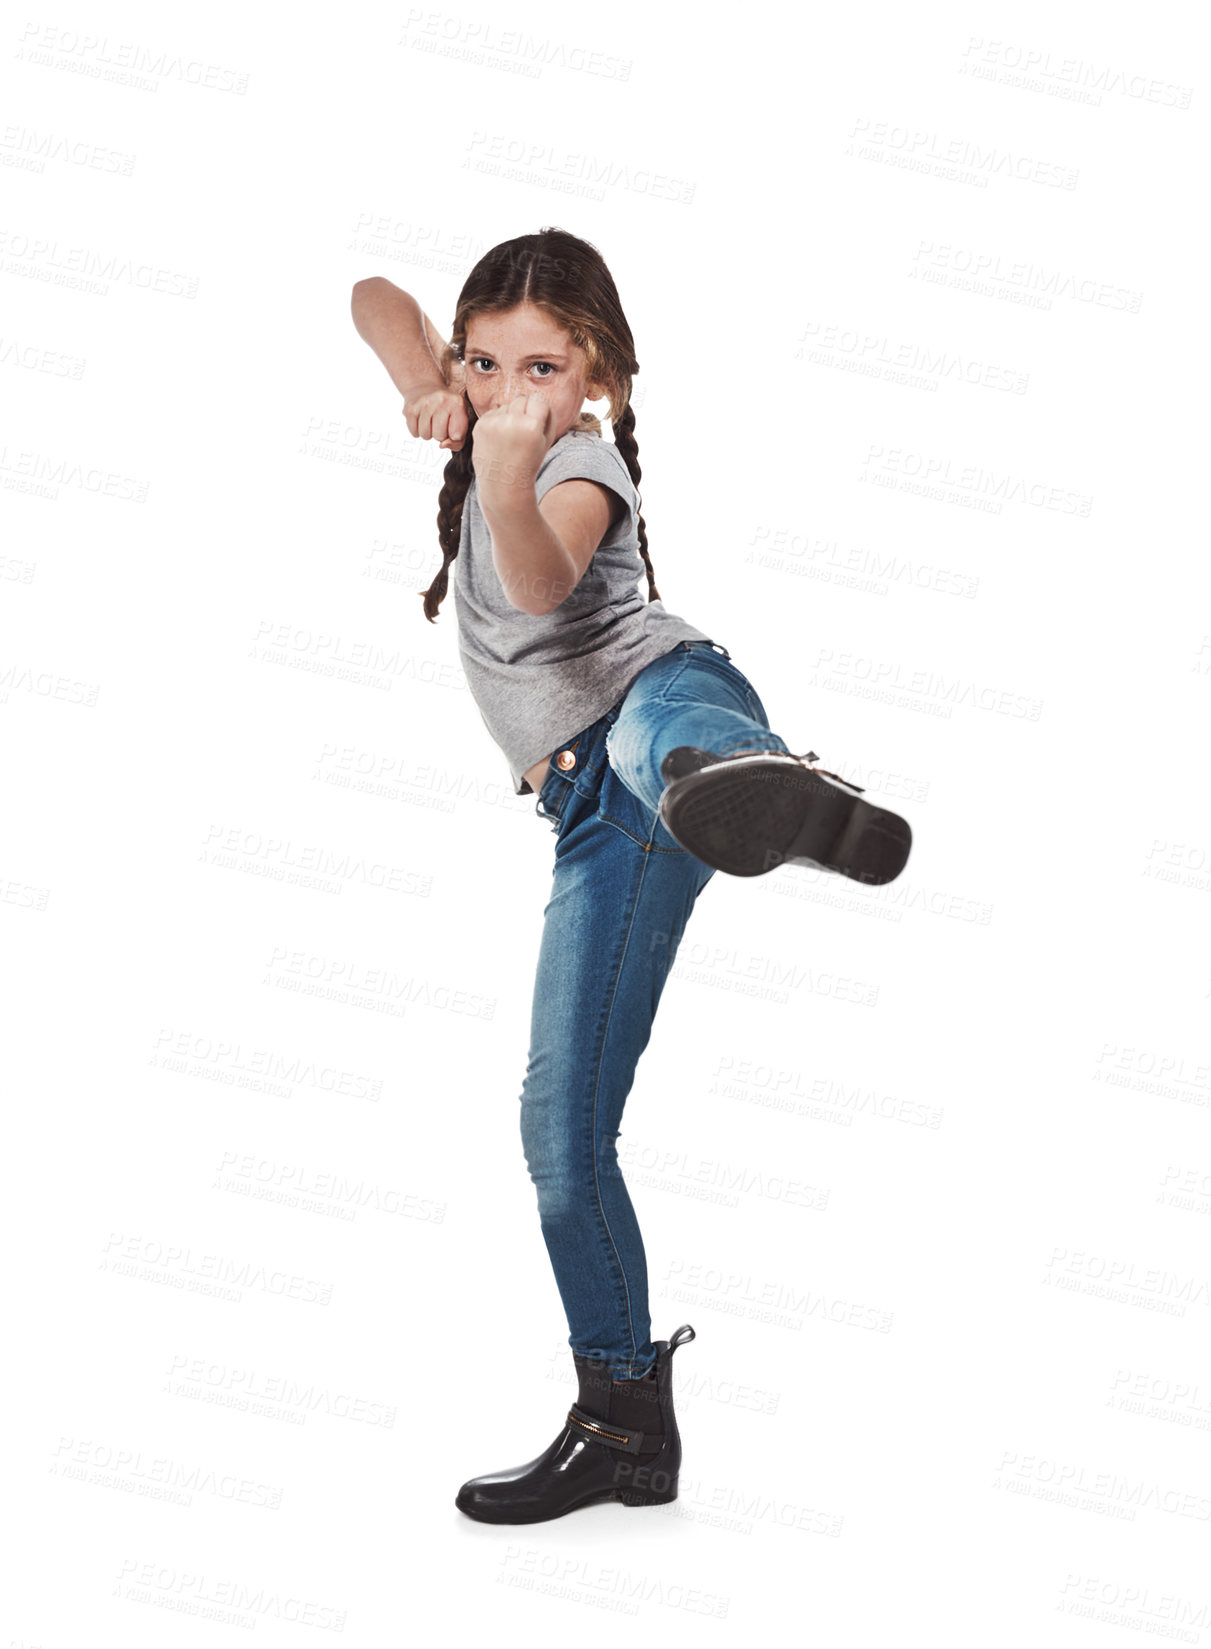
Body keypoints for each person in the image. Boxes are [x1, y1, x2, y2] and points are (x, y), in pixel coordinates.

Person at [350, 228, 912, 1525]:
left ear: (593, 373)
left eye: (537, 365)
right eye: (485, 360)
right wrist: (426, 382)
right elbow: (372, 293)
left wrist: (499, 460)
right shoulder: (484, 407)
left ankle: (762, 780)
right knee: (560, 1131)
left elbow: (547, 586)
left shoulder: (577, 461)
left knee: (664, 726)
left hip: (657, 709)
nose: (505, 386)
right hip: (594, 817)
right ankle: (622, 1423)